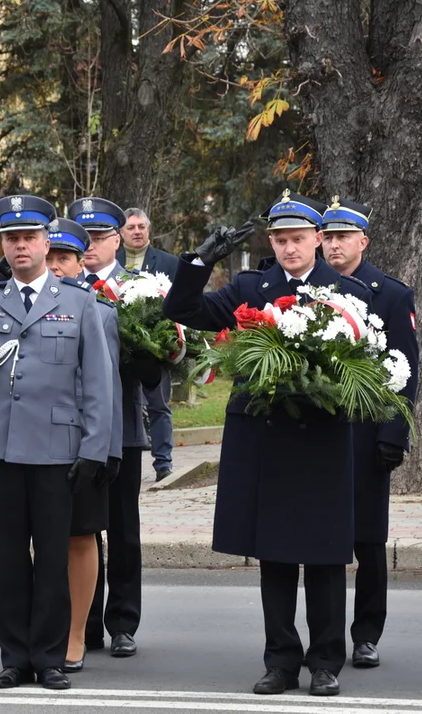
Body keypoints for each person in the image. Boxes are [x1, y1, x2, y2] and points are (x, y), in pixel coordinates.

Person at [162, 191, 371, 697]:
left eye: (298, 239)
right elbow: (184, 308)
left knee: (323, 556)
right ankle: (280, 661)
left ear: (318, 239)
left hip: (322, 438)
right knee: (274, 555)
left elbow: (368, 365)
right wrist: (200, 261)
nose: (288, 248)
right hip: (266, 437)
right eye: (280, 239)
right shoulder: (250, 288)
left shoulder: (346, 292)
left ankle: (325, 661)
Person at [0, 195, 113, 691]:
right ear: (1, 245)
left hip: (57, 447)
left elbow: (97, 381)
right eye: (11, 238)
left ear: (46, 242)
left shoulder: (77, 301)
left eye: (29, 237)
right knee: (9, 557)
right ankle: (14, 656)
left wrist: (94, 449)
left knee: (51, 556)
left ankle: (49, 656)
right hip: (1, 445)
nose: (20, 246)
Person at [320, 197, 419, 669]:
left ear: (363, 241)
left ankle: (366, 634)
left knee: (368, 541)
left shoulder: (391, 294)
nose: (334, 245)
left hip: (365, 434)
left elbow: (405, 371)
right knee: (320, 541)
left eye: (343, 237)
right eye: (328, 237)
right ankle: (325, 639)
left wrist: (392, 435)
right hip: (317, 432)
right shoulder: (311, 288)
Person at [37, 217, 123, 673]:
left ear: (79, 263)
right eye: (49, 258)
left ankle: (75, 634)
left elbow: (105, 389)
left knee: (80, 537)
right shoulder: (23, 307)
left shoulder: (98, 311)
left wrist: (105, 450)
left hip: (81, 446)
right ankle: (44, 629)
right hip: (37, 446)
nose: (55, 267)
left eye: (64, 258)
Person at [70, 197, 149, 659]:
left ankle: (121, 622)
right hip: (75, 428)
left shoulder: (136, 288)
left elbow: (156, 359)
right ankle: (84, 622)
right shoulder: (64, 285)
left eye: (98, 238)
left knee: (122, 528)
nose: (88, 247)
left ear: (116, 240)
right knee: (83, 529)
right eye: (82, 239)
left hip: (121, 425)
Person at [118, 208, 178, 482]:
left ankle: (163, 463)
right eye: (131, 227)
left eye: (142, 226)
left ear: (149, 230)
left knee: (158, 405)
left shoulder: (168, 262)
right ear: (120, 233)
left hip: (156, 350)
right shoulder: (111, 262)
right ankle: (118, 459)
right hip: (119, 349)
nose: (137, 231)